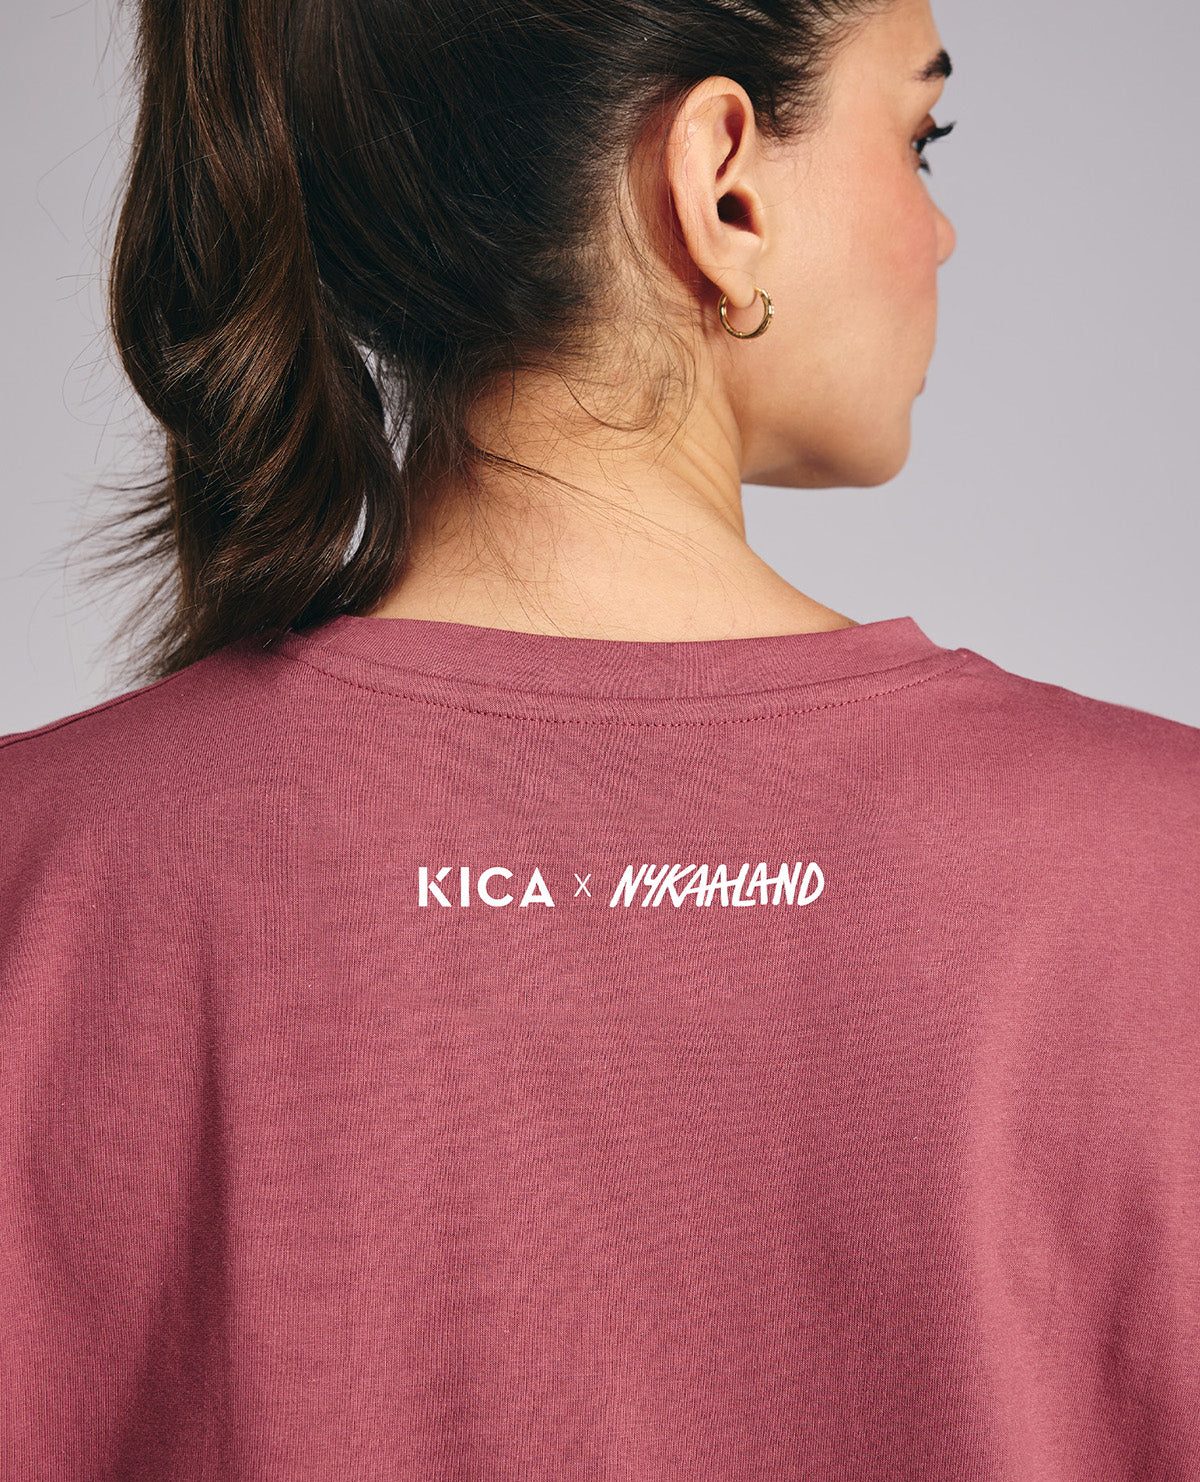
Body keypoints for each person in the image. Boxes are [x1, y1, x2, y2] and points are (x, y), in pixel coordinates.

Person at [2, 0, 1196, 1477]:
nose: (939, 232)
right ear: (723, 183)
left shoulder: (34, 875)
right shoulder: (1166, 880)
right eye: (920, 137)